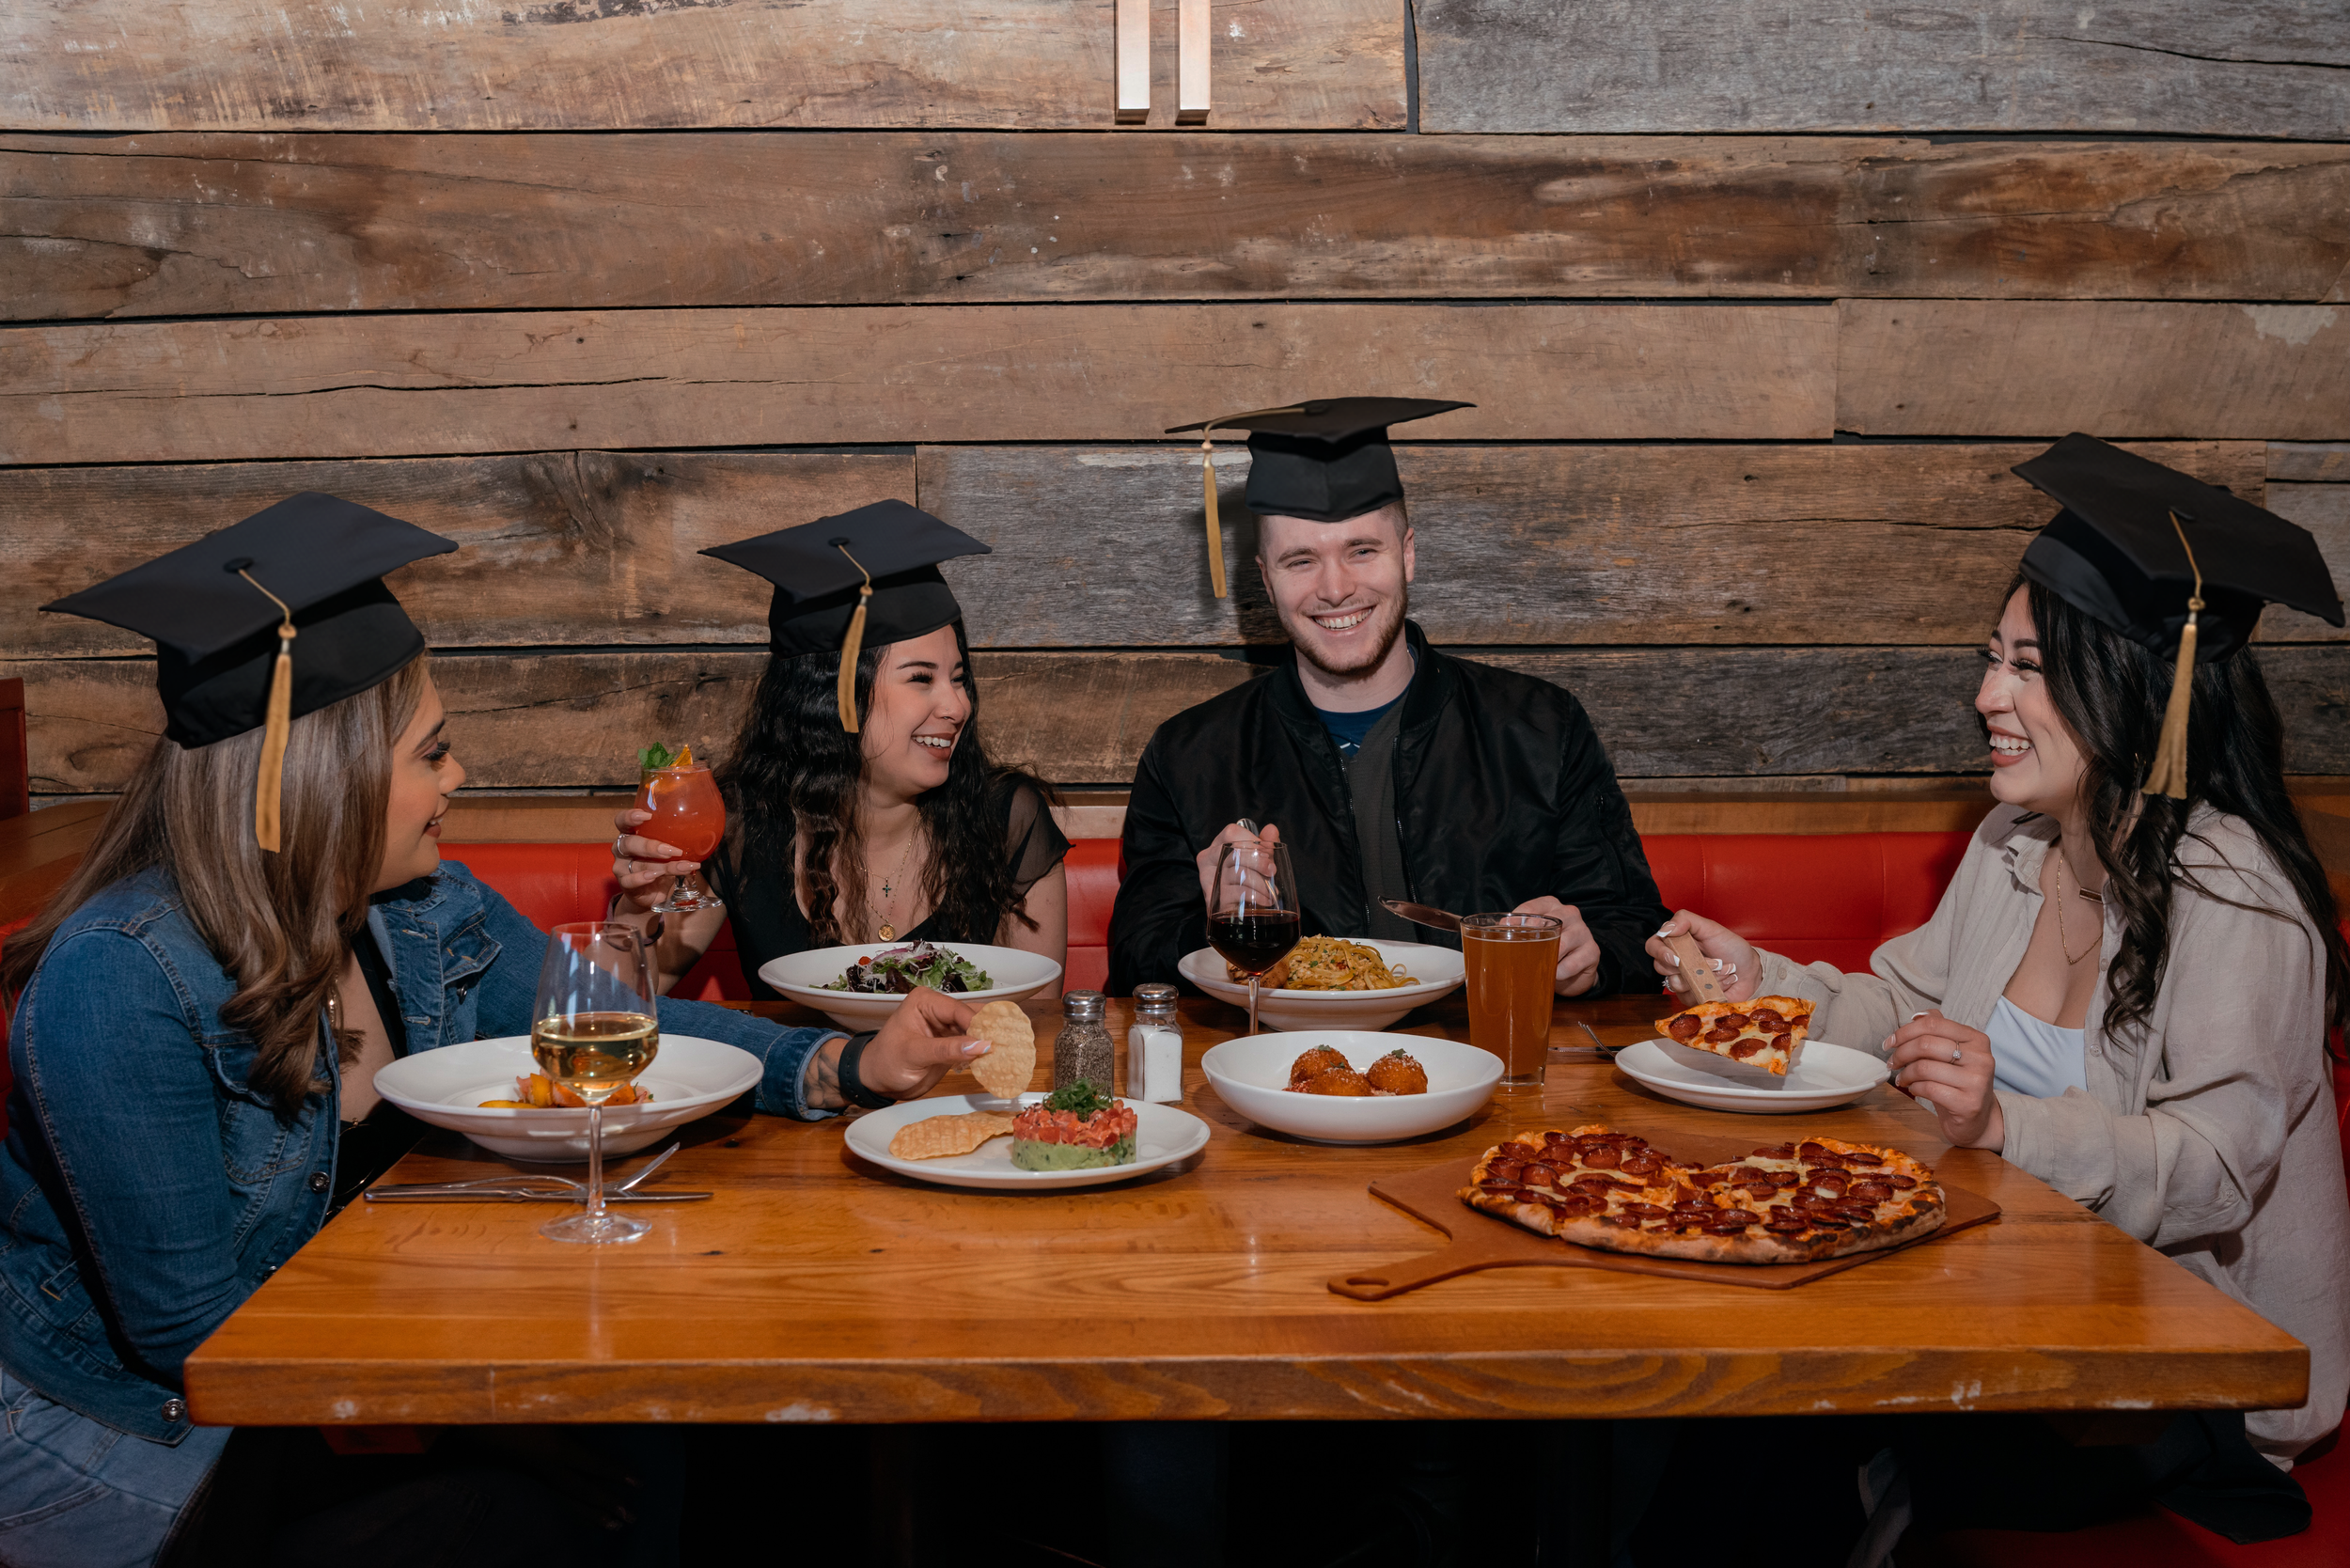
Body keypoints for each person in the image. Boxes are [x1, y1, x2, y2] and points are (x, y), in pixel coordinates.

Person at [0, 494, 993, 1567]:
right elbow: (199, 1337)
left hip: (333, 1386)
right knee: (530, 1509)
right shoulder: (124, 974)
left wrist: (847, 1062)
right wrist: (489, 1398)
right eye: (434, 754)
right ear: (312, 779)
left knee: (638, 1453)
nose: (457, 781)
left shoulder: (419, 910)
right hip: (131, 1440)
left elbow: (620, 1029)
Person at [1638, 434, 2350, 1558]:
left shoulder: (2235, 891)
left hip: (2180, 1376)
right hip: (2007, 1301)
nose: (1985, 695)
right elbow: (1897, 1011)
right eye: (1992, 658)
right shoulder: (2015, 842)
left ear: (2133, 686)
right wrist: (1757, 987)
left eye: (2026, 666)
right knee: (1732, 1404)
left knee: (1771, 1424)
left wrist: (2007, 1124)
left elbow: (2217, 1166)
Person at [1108, 397, 1668, 996]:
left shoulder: (1540, 730)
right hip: (1279, 1071)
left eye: (1362, 550)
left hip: (1492, 1062)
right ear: (1266, 580)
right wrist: (1213, 918)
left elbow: (1634, 931)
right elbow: (1135, 964)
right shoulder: (1190, 755)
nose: (1335, 588)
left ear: (1406, 553)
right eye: (1301, 560)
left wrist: (1593, 955)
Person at [609, 501, 1067, 1002]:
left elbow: (1036, 1025)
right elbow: (601, 1007)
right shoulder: (743, 824)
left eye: (959, 679)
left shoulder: (1005, 817)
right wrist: (638, 909)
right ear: (834, 697)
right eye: (921, 679)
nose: (957, 705)